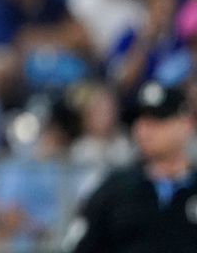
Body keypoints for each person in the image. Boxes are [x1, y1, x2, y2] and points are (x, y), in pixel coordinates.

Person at [66, 81, 197, 253]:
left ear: (187, 124)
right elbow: (79, 246)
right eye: (139, 121)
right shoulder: (113, 190)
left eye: (158, 119)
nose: (144, 130)